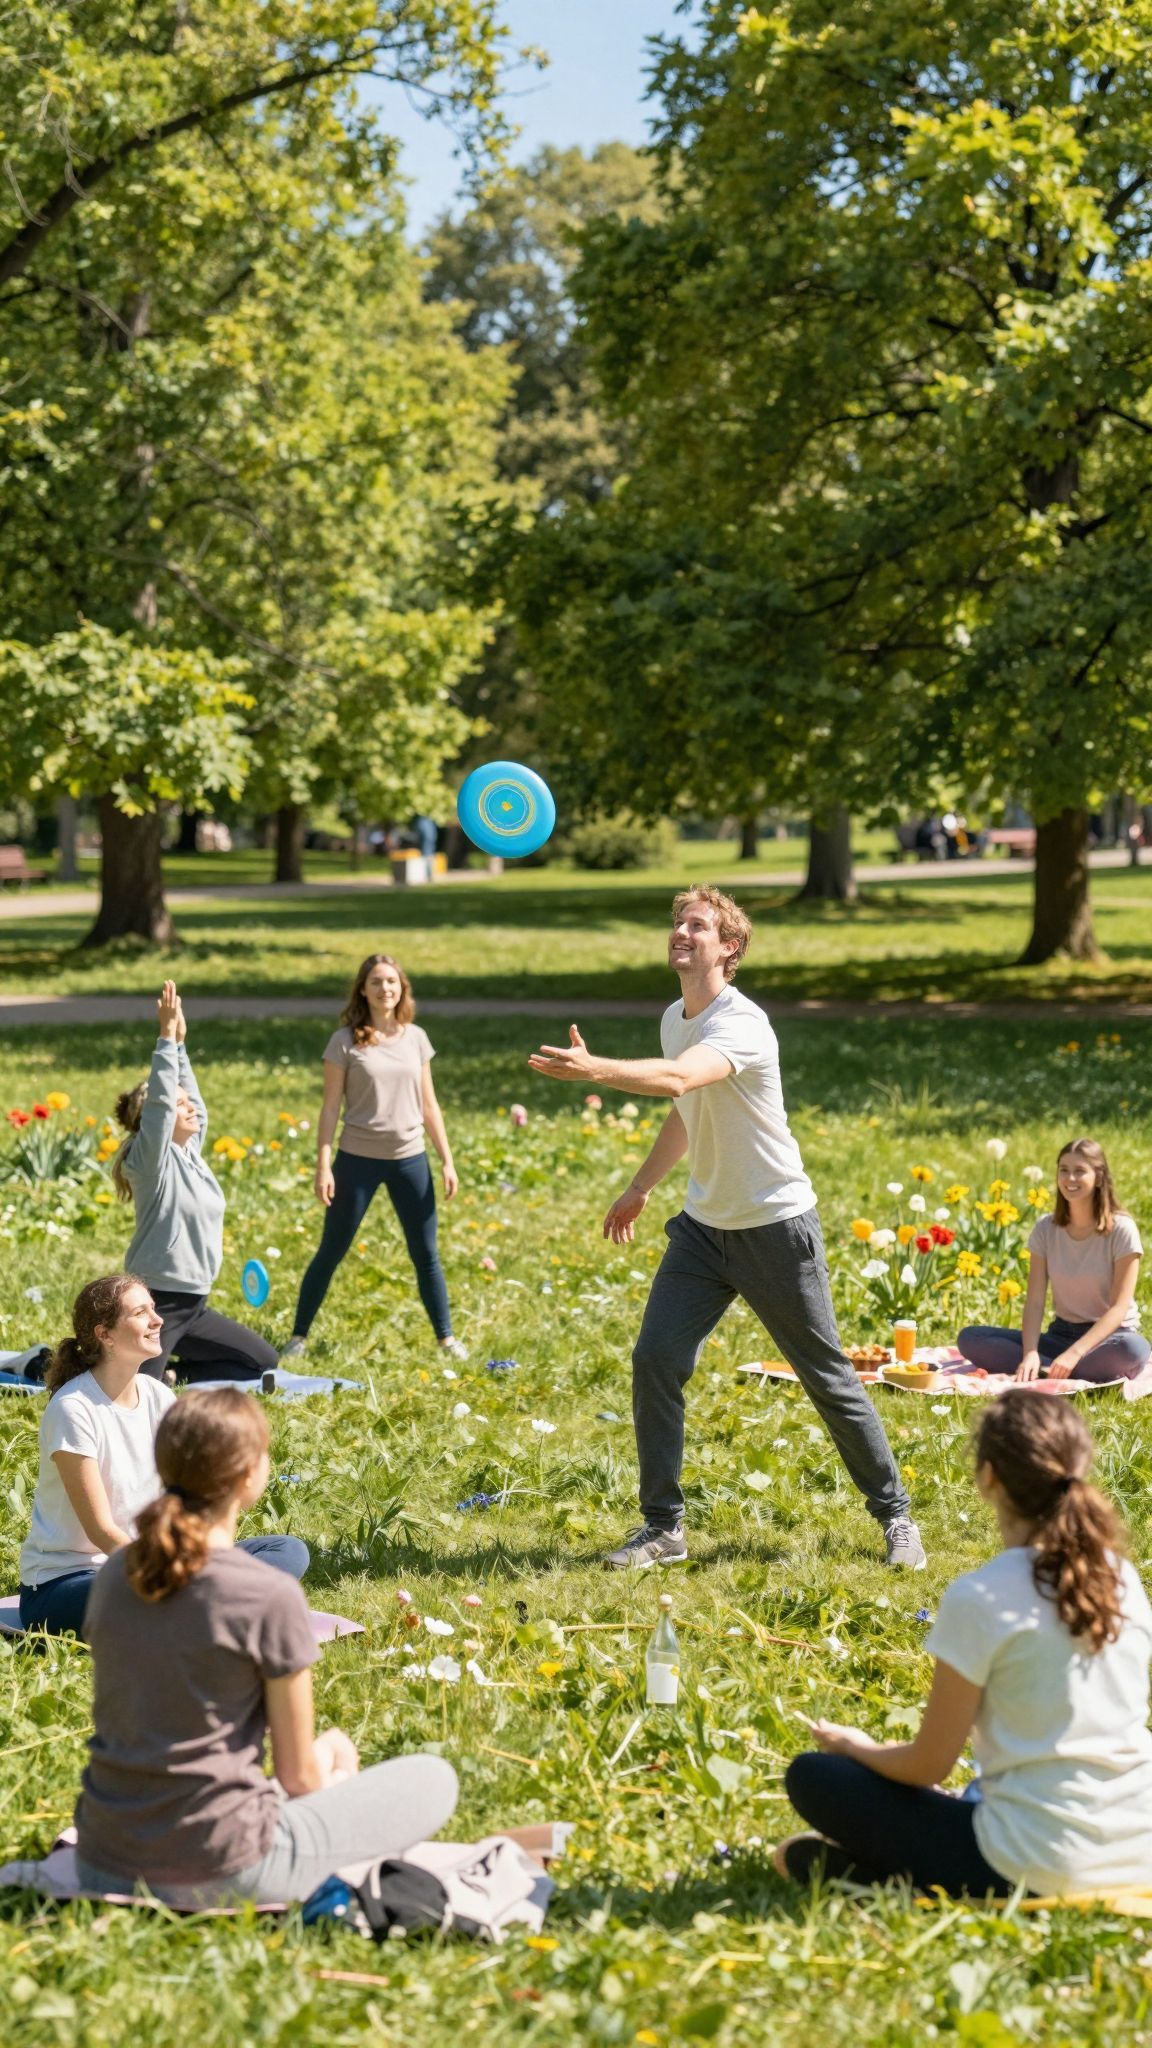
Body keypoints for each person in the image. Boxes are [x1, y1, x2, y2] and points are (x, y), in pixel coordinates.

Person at [528, 885, 924, 1571]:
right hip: (704, 1233)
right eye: (677, 922)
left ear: (728, 947)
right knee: (656, 1358)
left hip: (774, 1228)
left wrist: (597, 1070)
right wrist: (640, 1186)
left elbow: (681, 1080)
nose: (682, 931)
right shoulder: (675, 1016)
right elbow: (686, 1113)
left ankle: (895, 1516)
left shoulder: (742, 1023)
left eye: (698, 924)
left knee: (826, 1376)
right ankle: (663, 1529)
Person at [73, 1386, 457, 1905]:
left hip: (101, 1860)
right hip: (224, 1868)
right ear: (247, 1475)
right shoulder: (269, 1594)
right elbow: (298, 1778)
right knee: (433, 1778)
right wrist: (335, 1754)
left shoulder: (117, 1573)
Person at [776, 1395, 1152, 1898]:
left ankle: (903, 1885)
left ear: (988, 1477)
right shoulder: (1122, 1577)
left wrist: (855, 1747)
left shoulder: (981, 1596)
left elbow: (928, 1766)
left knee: (814, 1777)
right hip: (1138, 1847)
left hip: (1036, 1862)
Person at [16, 1276, 307, 1639]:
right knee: (158, 1593)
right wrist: (168, 1571)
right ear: (105, 1334)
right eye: (141, 1312)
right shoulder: (74, 1409)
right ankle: (217, 1602)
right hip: (72, 1582)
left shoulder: (158, 1396)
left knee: (287, 1550)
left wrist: (192, 1557)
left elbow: (181, 1495)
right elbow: (102, 1530)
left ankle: (200, 1600)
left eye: (154, 1309)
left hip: (156, 1564)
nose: (158, 1321)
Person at [283, 952, 465, 1360]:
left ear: (402, 989)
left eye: (392, 982)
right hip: (356, 1159)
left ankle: (447, 1339)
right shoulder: (345, 1041)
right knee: (332, 1248)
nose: (385, 988)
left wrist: (447, 1159)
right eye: (377, 982)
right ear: (363, 990)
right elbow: (330, 1107)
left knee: (426, 1254)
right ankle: (298, 1336)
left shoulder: (415, 1038)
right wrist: (323, 1164)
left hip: (410, 1158)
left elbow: (430, 1105)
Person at [112, 980, 277, 1384]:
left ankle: (173, 1372)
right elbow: (164, 1103)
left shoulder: (190, 1155)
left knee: (262, 1362)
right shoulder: (152, 1161)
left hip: (195, 1305)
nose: (191, 1109)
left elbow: (189, 1099)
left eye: (189, 1103)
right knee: (138, 1388)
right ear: (159, 1119)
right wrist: (165, 1039)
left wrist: (182, 1046)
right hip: (156, 1304)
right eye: (179, 1105)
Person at [958, 1138, 1148, 1385]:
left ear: (1099, 1177)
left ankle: (1059, 1369)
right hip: (1060, 1336)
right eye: (1064, 1171)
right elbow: (1035, 1300)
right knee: (971, 1338)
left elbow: (1118, 1308)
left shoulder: (1122, 1229)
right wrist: (1030, 1353)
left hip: (1108, 1339)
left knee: (1133, 1348)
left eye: (1080, 1171)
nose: (1070, 1179)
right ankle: (1058, 1369)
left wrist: (1075, 1354)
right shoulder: (1046, 1229)